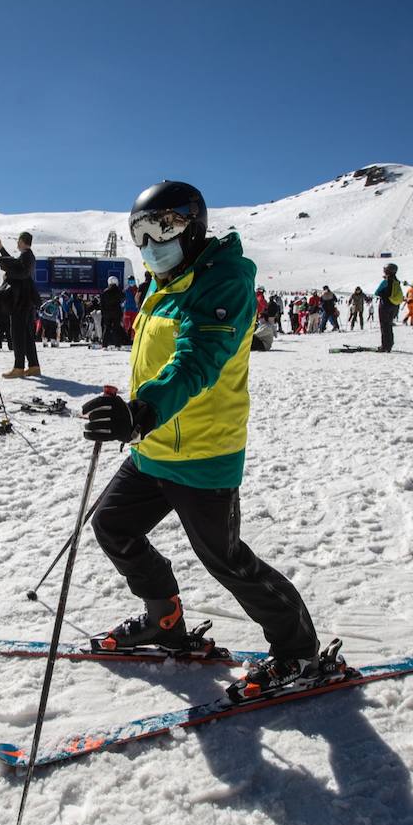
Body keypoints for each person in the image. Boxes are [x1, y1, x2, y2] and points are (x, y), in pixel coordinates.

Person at [82, 180, 328, 701]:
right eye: (139, 233)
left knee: (225, 558)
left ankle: (299, 650)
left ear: (194, 227)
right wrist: (134, 419)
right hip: (153, 448)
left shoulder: (223, 282)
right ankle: (164, 620)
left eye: (163, 228)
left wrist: (141, 411)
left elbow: (197, 361)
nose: (151, 243)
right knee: (112, 525)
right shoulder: (166, 278)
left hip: (203, 451)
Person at [0, 232, 40, 377]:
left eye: (18, 241)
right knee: (26, 335)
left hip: (21, 301)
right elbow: (14, 263)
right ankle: (33, 366)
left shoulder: (27, 256)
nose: (17, 243)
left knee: (18, 334)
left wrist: (9, 275)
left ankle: (18, 367)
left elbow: (22, 272)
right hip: (25, 301)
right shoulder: (27, 256)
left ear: (22, 241)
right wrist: (1, 247)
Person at [374, 264, 403, 352]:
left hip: (385, 305)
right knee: (389, 324)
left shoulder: (386, 281)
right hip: (394, 305)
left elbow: (377, 292)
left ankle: (385, 346)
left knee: (384, 325)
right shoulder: (396, 281)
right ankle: (390, 344)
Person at [100, 276, 126, 348]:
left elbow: (102, 304)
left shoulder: (105, 292)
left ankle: (104, 345)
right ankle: (117, 345)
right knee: (116, 328)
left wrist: (103, 313)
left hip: (107, 313)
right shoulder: (119, 291)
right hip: (116, 313)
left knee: (107, 328)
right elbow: (123, 297)